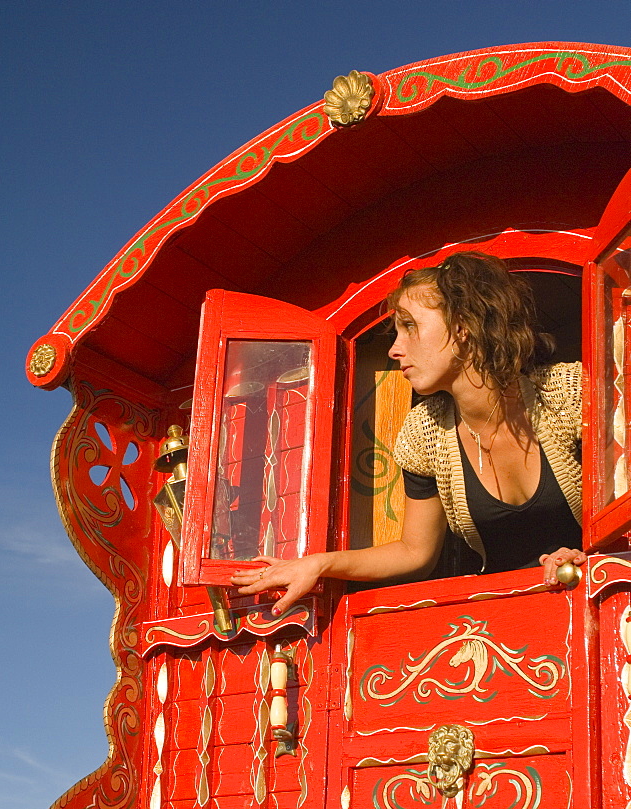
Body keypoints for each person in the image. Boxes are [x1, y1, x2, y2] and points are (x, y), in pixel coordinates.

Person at [231, 251, 585, 615]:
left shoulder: (570, 393)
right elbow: (415, 553)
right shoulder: (424, 434)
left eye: (410, 326)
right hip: (506, 616)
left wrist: (588, 553)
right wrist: (319, 563)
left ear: (462, 326)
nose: (395, 349)